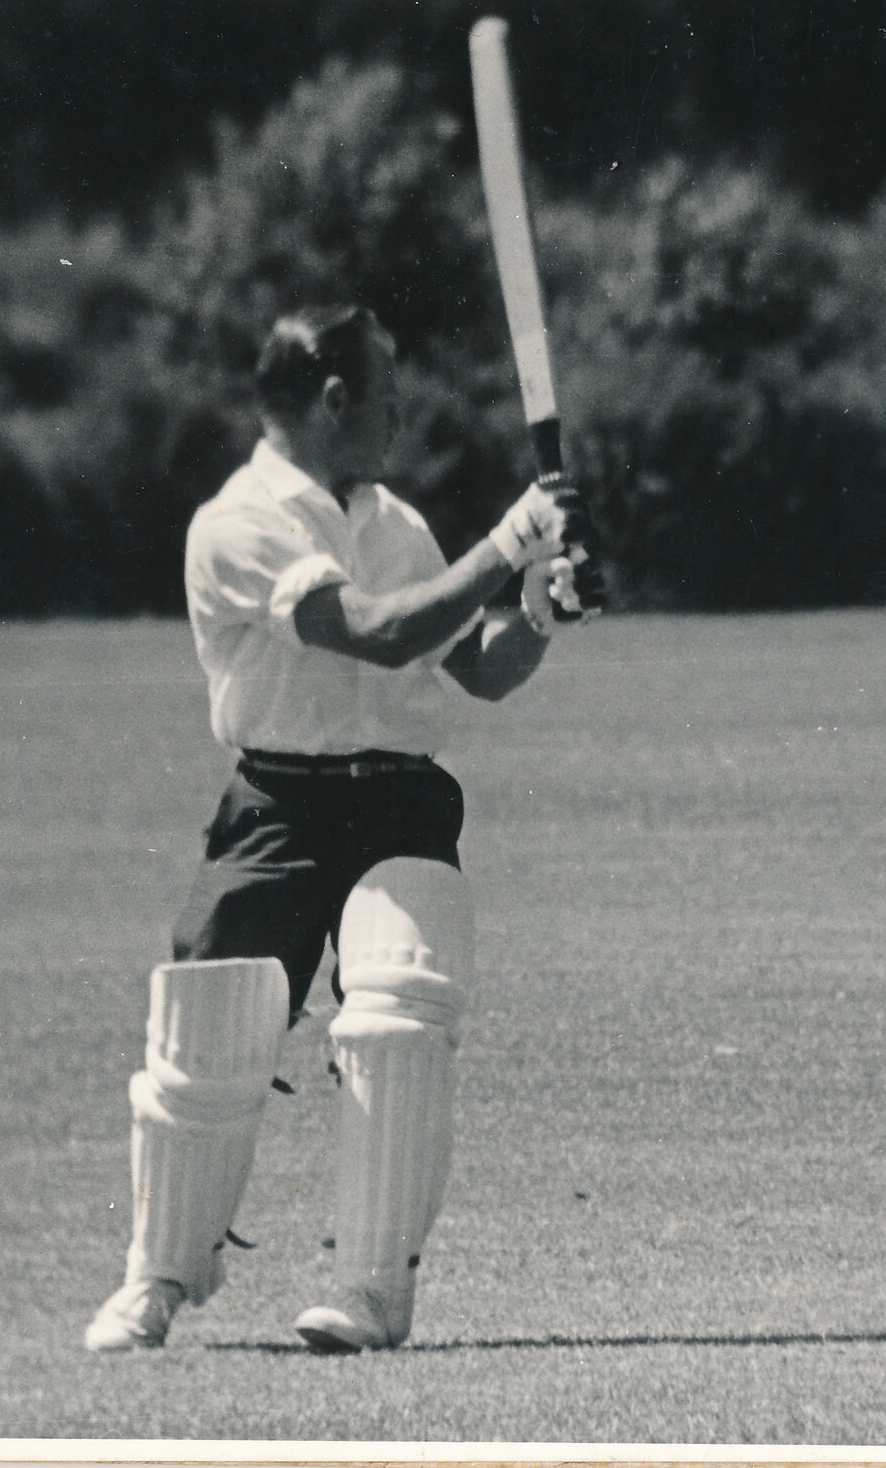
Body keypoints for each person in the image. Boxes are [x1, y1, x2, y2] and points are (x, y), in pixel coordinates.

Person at [83, 304, 600, 1354]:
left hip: (398, 799)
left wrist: (544, 607)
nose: (401, 417)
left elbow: (478, 666)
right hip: (279, 802)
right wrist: (512, 537)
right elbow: (376, 632)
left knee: (398, 1013)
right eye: (389, 396)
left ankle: (369, 1293)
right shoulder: (237, 524)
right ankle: (161, 1277)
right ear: (333, 400)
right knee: (210, 1037)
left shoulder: (395, 525)